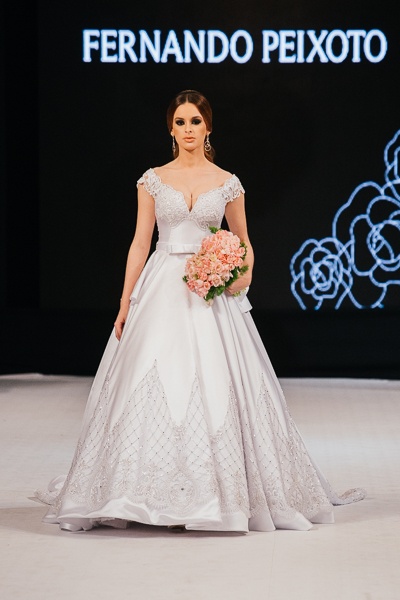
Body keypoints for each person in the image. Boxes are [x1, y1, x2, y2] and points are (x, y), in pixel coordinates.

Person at [35, 90, 365, 533]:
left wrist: (242, 274)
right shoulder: (152, 180)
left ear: (208, 127)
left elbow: (243, 241)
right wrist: (125, 300)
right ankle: (133, 492)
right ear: (170, 129)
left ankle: (220, 494)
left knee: (217, 380)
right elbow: (140, 243)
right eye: (180, 121)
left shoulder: (228, 182)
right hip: (161, 287)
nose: (188, 129)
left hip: (213, 295)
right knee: (151, 375)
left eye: (195, 121)